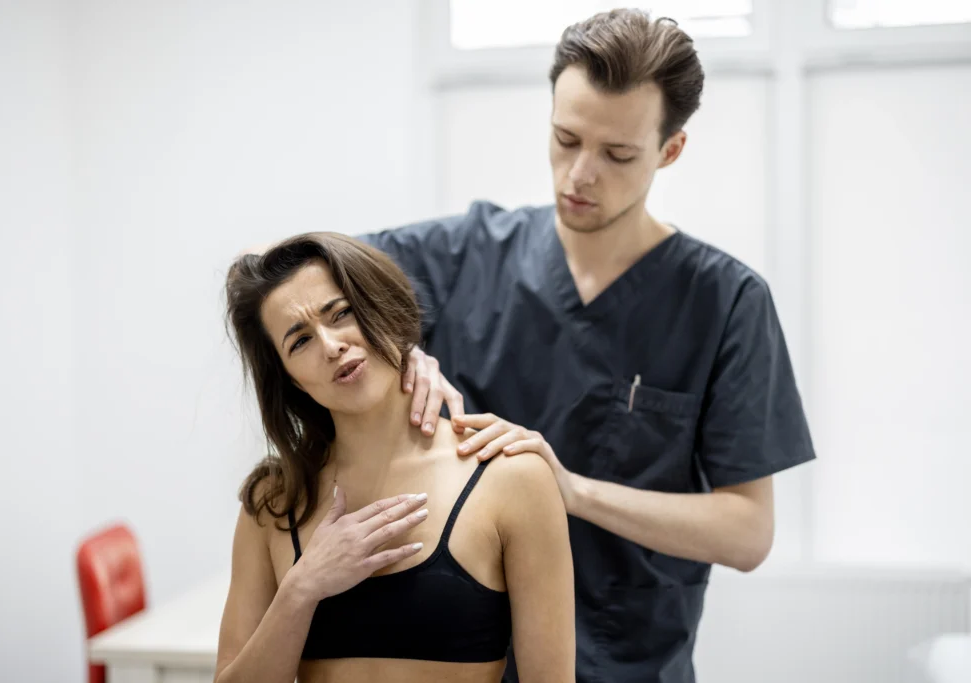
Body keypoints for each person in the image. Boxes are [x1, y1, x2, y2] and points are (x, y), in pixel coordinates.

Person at [346, 9, 817, 683]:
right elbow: (278, 277)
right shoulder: (462, 257)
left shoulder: (727, 302)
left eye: (617, 154)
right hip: (461, 658)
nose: (579, 175)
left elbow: (747, 533)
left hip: (628, 660)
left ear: (671, 149)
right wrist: (395, 348)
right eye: (565, 139)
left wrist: (568, 489)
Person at [213, 233, 576, 683]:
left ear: (381, 307)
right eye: (300, 341)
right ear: (292, 381)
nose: (331, 345)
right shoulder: (273, 501)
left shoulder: (512, 477)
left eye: (341, 313)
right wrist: (301, 589)